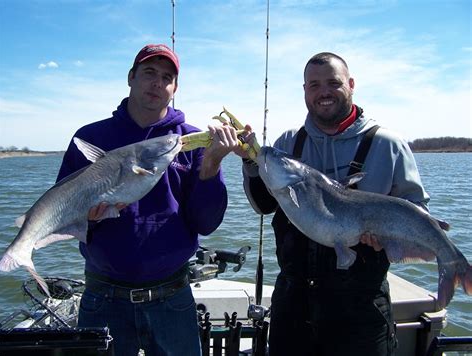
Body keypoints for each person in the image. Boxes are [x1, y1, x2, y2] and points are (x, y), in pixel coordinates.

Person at [240, 52, 430, 355]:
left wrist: (387, 237)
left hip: (361, 308)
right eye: (313, 85)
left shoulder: (388, 144)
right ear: (304, 90)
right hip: (293, 302)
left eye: (333, 82)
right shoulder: (288, 143)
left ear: (351, 84)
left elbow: (417, 214)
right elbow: (264, 206)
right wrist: (251, 164)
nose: (323, 92)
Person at [57, 44, 240, 356]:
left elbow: (206, 224)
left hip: (172, 297)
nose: (157, 83)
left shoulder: (191, 142)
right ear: (131, 77)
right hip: (103, 297)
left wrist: (211, 166)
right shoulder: (89, 139)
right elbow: (61, 212)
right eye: (149, 73)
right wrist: (87, 216)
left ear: (175, 89)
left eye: (166, 77)